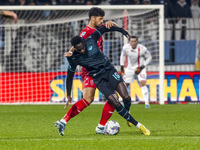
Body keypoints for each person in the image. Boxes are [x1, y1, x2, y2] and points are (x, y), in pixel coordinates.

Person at [55, 26, 150, 136]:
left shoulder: (91, 39)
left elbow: (104, 29)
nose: (82, 50)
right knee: (115, 102)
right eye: (79, 49)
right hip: (99, 79)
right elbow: (69, 76)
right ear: (75, 49)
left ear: (84, 42)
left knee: (126, 97)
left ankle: (127, 114)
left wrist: (122, 31)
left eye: (82, 47)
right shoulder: (74, 58)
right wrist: (68, 94)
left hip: (109, 71)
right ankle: (139, 125)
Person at [60, 7, 125, 135]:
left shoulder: (96, 30)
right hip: (90, 70)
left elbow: (108, 28)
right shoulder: (86, 32)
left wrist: (112, 25)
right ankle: (98, 126)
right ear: (92, 18)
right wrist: (70, 52)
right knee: (105, 99)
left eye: (103, 19)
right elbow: (77, 44)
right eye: (100, 19)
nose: (102, 21)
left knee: (91, 99)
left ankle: (65, 121)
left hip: (98, 69)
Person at [120, 36, 152, 108]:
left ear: (137, 42)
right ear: (129, 42)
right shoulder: (126, 48)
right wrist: (122, 67)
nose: (133, 43)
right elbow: (122, 56)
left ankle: (147, 103)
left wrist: (142, 67)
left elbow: (149, 57)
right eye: (132, 41)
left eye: (135, 41)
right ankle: (124, 101)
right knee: (125, 85)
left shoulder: (142, 49)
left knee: (142, 83)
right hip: (129, 68)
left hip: (140, 68)